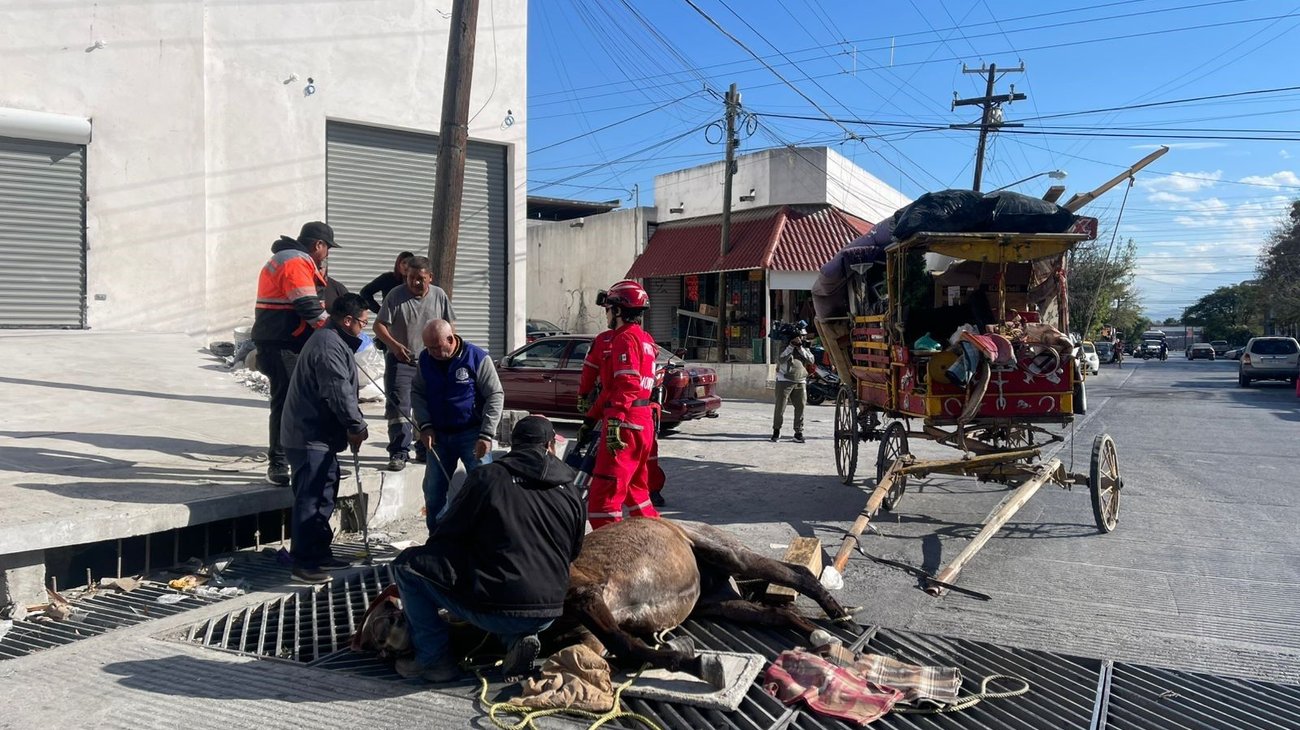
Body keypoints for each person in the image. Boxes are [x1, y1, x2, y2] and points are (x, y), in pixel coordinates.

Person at [391, 415, 584, 683]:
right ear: (551, 446)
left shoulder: (488, 477)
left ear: (513, 445)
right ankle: (516, 639)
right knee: (500, 585)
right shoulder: (571, 490)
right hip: (549, 611)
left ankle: (434, 661)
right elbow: (573, 552)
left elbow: (446, 535)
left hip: (500, 606)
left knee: (406, 566)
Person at [280, 293, 371, 584]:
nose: (363, 330)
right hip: (308, 436)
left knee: (325, 492)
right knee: (311, 497)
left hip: (321, 437)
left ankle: (320, 552)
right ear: (347, 320)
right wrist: (356, 425)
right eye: (362, 324)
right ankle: (305, 563)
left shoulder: (334, 341)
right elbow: (337, 392)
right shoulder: (328, 345)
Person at [251, 221, 335, 486]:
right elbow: (308, 307)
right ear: (318, 245)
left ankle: (304, 458)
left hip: (288, 342)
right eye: (328, 248)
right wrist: (337, 334)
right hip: (281, 344)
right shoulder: (295, 262)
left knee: (303, 401)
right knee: (286, 402)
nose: (328, 254)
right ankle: (278, 462)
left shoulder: (291, 259)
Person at [576, 286, 667, 507]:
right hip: (642, 420)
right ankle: (652, 538)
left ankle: (611, 542)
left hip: (625, 422)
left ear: (617, 311)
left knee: (602, 501)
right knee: (637, 495)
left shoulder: (622, 339)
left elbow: (626, 384)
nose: (606, 314)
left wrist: (614, 420)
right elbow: (614, 389)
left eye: (608, 309)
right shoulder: (646, 340)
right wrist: (591, 418)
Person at [412, 319, 504, 533]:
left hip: (472, 434)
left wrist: (486, 434)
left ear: (451, 339)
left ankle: (484, 539)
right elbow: (418, 392)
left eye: (437, 346)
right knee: (433, 492)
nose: (432, 351)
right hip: (438, 436)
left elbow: (495, 395)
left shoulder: (477, 358)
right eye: (429, 347)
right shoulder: (425, 360)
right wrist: (424, 425)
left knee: (484, 488)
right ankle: (438, 540)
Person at [373, 255, 455, 471]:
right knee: (399, 408)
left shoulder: (439, 296)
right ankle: (399, 452)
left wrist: (449, 354)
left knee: (428, 408)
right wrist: (394, 345)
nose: (414, 282)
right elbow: (379, 326)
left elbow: (449, 328)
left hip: (431, 363)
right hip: (401, 361)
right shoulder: (395, 295)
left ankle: (424, 449)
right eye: (410, 277)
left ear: (430, 277)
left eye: (420, 278)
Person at [773, 324, 814, 443]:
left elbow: (811, 360)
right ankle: (776, 431)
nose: (802, 338)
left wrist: (800, 348)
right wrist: (791, 346)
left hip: (800, 380)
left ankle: (798, 432)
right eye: (801, 336)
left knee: (800, 407)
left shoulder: (804, 347)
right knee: (780, 408)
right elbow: (781, 359)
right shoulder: (784, 346)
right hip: (784, 380)